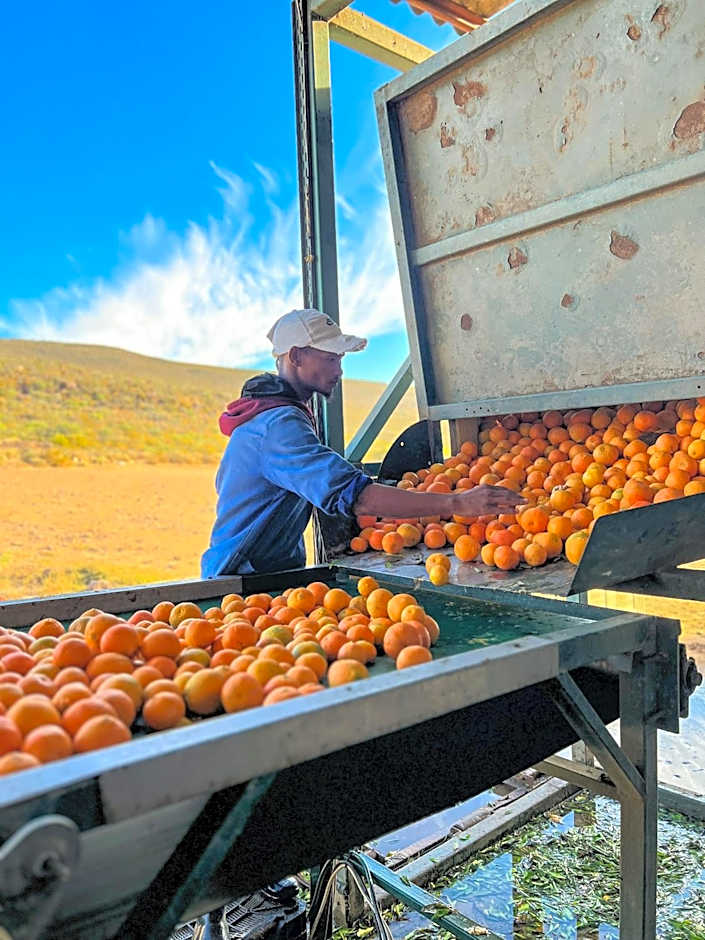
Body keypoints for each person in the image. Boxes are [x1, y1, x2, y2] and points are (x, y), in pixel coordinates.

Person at [201, 308, 518, 578]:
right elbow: (357, 499)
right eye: (329, 359)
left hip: (269, 572)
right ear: (295, 355)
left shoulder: (272, 414)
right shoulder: (278, 425)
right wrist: (457, 504)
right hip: (239, 579)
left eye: (339, 359)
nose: (339, 370)